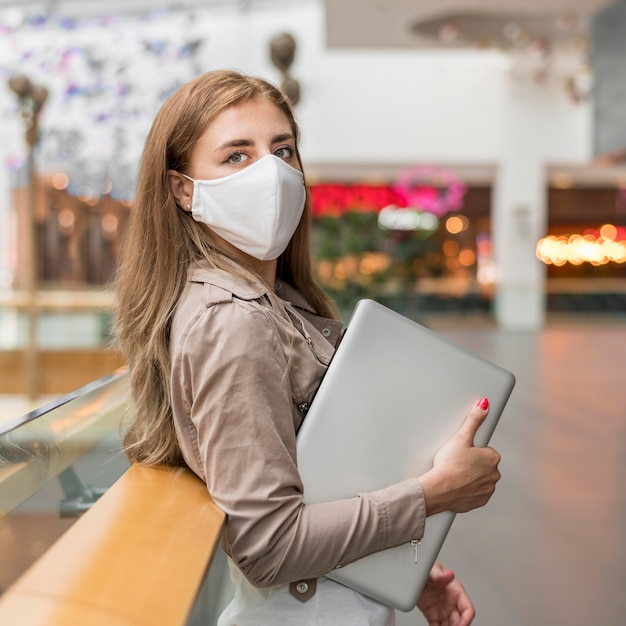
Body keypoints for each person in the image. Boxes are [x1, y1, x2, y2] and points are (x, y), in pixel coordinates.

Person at [114, 69, 501, 626]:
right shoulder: (233, 321)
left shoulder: (276, 301)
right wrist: (431, 495)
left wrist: (394, 574)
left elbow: (320, 479)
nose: (269, 172)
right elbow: (269, 544)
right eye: (236, 156)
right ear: (182, 189)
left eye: (283, 150)